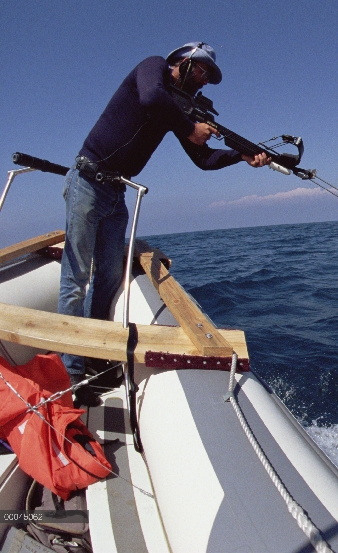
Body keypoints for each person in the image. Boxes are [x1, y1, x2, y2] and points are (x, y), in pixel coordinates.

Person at [57, 42, 270, 406]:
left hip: (116, 194)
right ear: (183, 61)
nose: (203, 81)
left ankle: (96, 357)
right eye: (202, 71)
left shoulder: (179, 109)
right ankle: (72, 369)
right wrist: (189, 126)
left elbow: (203, 160)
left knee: (108, 278)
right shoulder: (153, 68)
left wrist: (241, 155)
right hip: (88, 183)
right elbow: (152, 98)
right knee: (76, 277)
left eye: (208, 78)